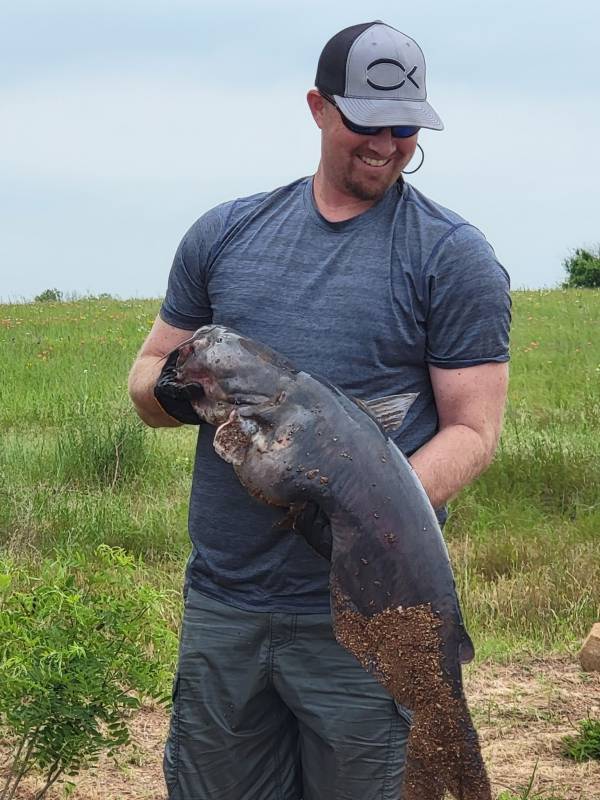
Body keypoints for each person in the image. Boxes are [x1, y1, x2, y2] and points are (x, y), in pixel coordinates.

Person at [128, 20, 511, 800]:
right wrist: (178, 391)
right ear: (318, 108)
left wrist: (361, 499)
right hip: (226, 607)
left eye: (406, 127)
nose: (387, 144)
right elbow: (145, 380)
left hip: (373, 619)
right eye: (368, 123)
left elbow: (474, 432)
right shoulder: (226, 234)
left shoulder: (451, 255)